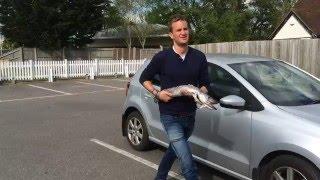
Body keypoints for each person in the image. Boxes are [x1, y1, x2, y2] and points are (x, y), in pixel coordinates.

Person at [139, 14, 210, 180]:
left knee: (173, 150)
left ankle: (160, 177)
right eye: (179, 30)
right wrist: (157, 93)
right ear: (171, 35)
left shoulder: (199, 57)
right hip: (170, 116)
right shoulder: (162, 58)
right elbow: (144, 79)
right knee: (187, 162)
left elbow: (205, 83)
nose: (183, 32)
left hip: (190, 116)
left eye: (185, 29)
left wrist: (201, 94)